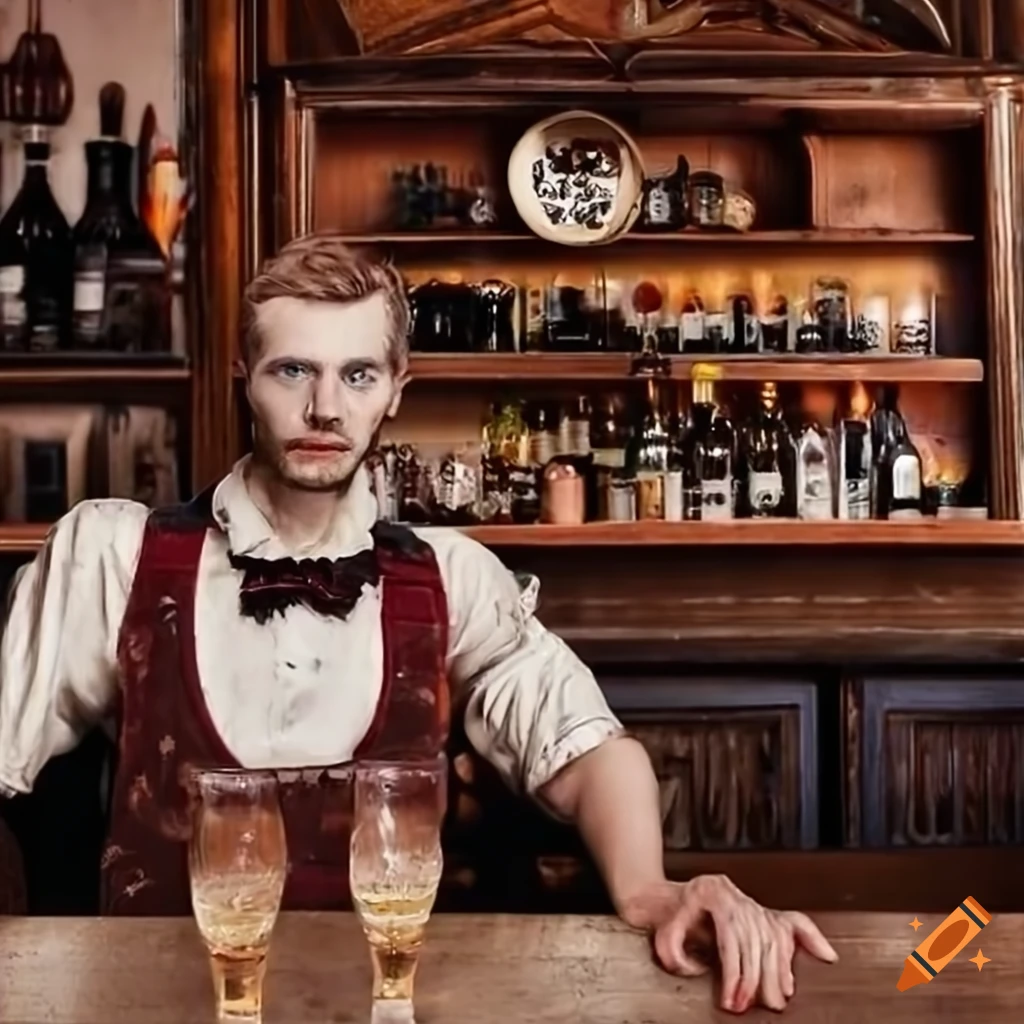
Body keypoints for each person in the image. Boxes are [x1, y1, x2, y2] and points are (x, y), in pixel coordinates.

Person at [0, 235, 835, 1014]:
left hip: (390, 1007)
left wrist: (653, 890)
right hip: (152, 1007)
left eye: (358, 375)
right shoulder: (114, 556)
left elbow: (586, 751)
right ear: (242, 373)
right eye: (293, 371)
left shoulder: (450, 576)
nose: (326, 407)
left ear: (397, 388)